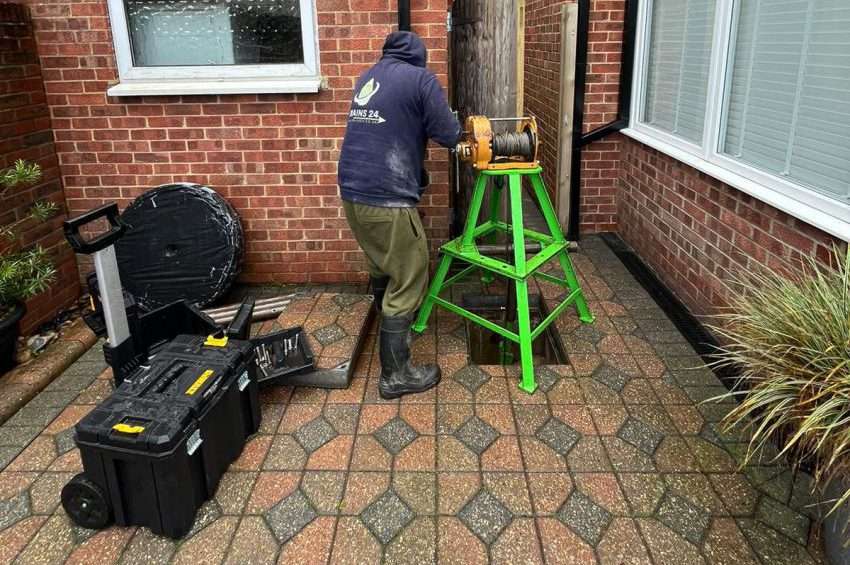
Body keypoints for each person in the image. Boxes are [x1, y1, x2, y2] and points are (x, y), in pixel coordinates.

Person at [338, 31, 462, 400]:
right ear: (419, 57)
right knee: (410, 273)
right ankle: (396, 375)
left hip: (353, 193)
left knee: (382, 263)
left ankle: (390, 329)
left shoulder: (368, 76)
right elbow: (448, 133)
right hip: (386, 197)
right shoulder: (420, 79)